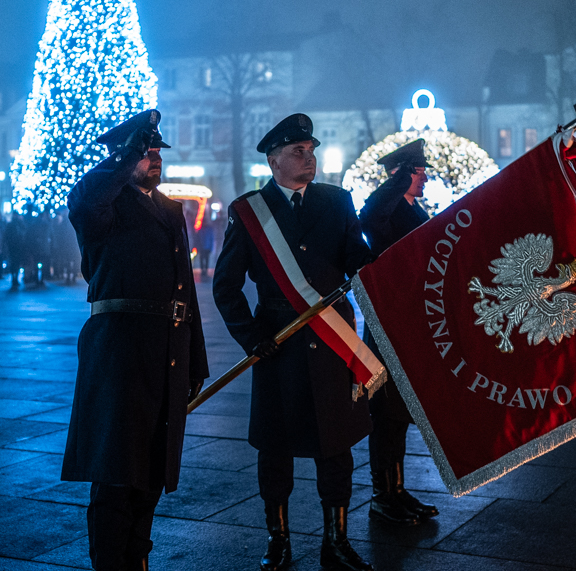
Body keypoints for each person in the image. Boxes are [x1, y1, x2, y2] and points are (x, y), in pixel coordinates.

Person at [214, 113, 375, 571]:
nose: (309, 158)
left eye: (311, 151)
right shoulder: (249, 212)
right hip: (278, 346)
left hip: (332, 343)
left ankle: (336, 541)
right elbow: (225, 286)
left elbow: (357, 261)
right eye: (298, 152)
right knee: (276, 450)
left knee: (337, 447)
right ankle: (278, 538)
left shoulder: (337, 201)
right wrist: (251, 337)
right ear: (274, 160)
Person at [61, 109, 209, 571]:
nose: (155, 158)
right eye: (145, 153)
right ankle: (110, 563)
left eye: (156, 151)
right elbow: (87, 200)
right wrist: (124, 161)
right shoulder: (101, 204)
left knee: (151, 469)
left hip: (165, 352)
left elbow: (183, 290)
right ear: (123, 159)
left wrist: (195, 362)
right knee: (115, 473)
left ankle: (138, 557)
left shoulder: (169, 210)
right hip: (119, 354)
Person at [357, 139, 439, 527]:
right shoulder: (386, 208)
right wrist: (395, 181)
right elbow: (369, 219)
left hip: (409, 320)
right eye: (417, 172)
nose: (424, 179)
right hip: (387, 323)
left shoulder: (412, 209)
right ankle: (381, 495)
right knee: (385, 411)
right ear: (401, 174)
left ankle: (397, 489)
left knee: (401, 411)